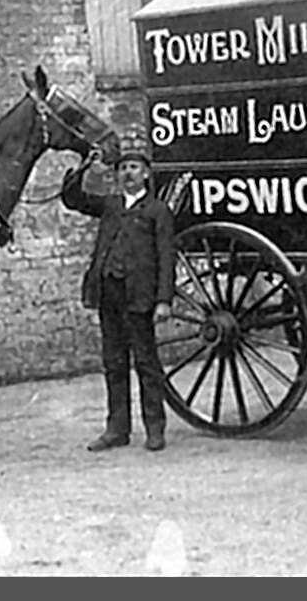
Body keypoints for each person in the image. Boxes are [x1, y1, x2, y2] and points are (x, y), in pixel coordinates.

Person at [61, 139, 177, 452]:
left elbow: (167, 257)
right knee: (114, 363)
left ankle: (155, 429)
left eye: (134, 168)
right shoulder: (110, 205)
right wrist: (83, 167)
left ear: (146, 174)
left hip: (139, 296)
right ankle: (116, 430)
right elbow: (74, 200)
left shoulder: (157, 211)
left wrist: (164, 299)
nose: (128, 174)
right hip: (109, 293)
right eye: (123, 168)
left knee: (146, 363)